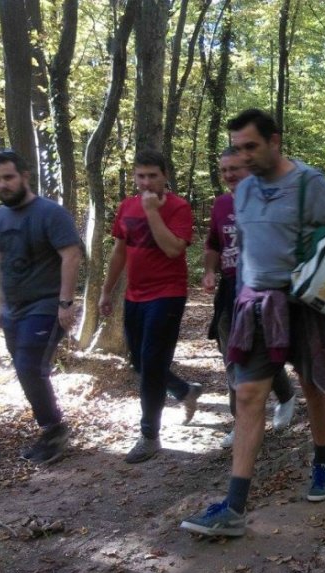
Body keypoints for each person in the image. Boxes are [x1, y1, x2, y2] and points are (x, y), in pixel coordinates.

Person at [180, 108, 325, 538]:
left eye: (251, 147)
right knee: (247, 395)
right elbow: (245, 254)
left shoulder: (308, 184)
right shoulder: (242, 193)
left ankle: (321, 462)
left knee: (314, 385)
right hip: (256, 308)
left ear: (274, 141)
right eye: (237, 148)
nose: (242, 158)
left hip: (306, 304)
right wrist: (240, 301)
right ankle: (234, 508)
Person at [99, 149, 202, 464]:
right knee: (141, 364)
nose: (145, 182)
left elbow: (173, 250)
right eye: (140, 175)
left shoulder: (178, 208)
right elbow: (119, 252)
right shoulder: (126, 207)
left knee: (151, 365)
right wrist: (106, 291)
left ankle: (149, 436)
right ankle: (184, 390)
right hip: (134, 295)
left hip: (167, 294)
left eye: (152, 176)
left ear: (165, 176)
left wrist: (152, 212)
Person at [0, 149, 81, 464]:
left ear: (24, 176)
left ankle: (54, 429)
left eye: (8, 177)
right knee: (24, 368)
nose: (3, 184)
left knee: (29, 366)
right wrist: (0, 303)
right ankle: (52, 425)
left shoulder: (50, 213)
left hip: (45, 304)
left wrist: (65, 303)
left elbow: (71, 254)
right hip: (14, 308)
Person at [202, 147, 297, 448]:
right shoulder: (220, 205)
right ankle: (241, 421)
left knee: (264, 349)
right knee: (233, 355)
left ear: (250, 170)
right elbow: (213, 243)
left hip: (263, 287)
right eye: (224, 170)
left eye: (235, 169)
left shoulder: (268, 200)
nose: (229, 175)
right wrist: (208, 271)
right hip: (230, 288)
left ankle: (285, 394)